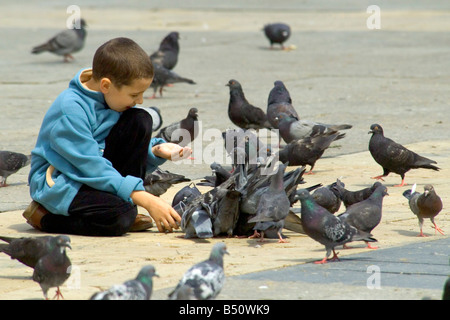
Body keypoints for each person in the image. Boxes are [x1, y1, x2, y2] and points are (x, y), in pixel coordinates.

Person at [24, 37, 191, 236]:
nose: (140, 100)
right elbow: (90, 165)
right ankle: (44, 217)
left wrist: (155, 150)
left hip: (94, 173)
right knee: (120, 218)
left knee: (140, 118)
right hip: (62, 181)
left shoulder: (111, 97)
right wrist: (145, 198)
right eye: (134, 94)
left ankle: (122, 204)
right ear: (105, 85)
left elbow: (111, 145)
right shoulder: (70, 109)